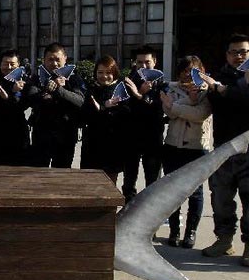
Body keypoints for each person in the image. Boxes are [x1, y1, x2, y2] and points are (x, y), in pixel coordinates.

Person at [198, 33, 249, 267]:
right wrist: (236, 88)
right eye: (234, 52)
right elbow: (217, 102)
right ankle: (224, 240)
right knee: (221, 198)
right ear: (227, 55)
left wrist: (228, 91)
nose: (238, 56)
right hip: (223, 149)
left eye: (243, 52)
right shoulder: (218, 77)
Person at [159, 56, 212, 248]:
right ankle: (174, 230)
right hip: (173, 146)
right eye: (184, 70)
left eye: (192, 70)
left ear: (201, 71)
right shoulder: (171, 88)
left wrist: (177, 105)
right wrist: (189, 102)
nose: (187, 74)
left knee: (195, 193)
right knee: (173, 192)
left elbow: (200, 114)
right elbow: (169, 113)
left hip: (197, 147)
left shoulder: (207, 89)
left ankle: (191, 232)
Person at [26, 43, 84, 168]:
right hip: (41, 134)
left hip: (66, 134)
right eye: (50, 59)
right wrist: (46, 91)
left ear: (65, 58)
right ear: (44, 60)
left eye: (58, 59)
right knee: (38, 173)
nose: (54, 63)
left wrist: (60, 90)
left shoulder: (74, 78)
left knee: (62, 175)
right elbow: (31, 98)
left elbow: (80, 101)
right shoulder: (37, 77)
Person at [121, 46, 166, 204]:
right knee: (129, 182)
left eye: (147, 62)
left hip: (153, 138)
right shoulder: (127, 81)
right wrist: (137, 93)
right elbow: (123, 108)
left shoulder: (162, 83)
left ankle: (149, 220)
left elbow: (159, 110)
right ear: (134, 63)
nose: (144, 66)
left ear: (155, 62)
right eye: (139, 62)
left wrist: (140, 95)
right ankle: (129, 213)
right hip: (131, 138)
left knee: (153, 182)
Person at [80, 55, 130, 184]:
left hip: (112, 145)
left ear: (115, 73)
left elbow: (123, 116)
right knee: (89, 184)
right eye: (100, 72)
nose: (104, 76)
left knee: (110, 185)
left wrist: (101, 108)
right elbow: (85, 116)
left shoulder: (121, 90)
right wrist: (104, 107)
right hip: (92, 145)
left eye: (108, 72)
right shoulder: (91, 90)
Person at [0, 49, 30, 166]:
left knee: (18, 170)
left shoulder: (24, 80)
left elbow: (24, 105)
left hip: (18, 131)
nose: (8, 67)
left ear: (18, 65)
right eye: (5, 63)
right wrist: (10, 93)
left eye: (12, 64)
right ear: (0, 64)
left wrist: (10, 96)